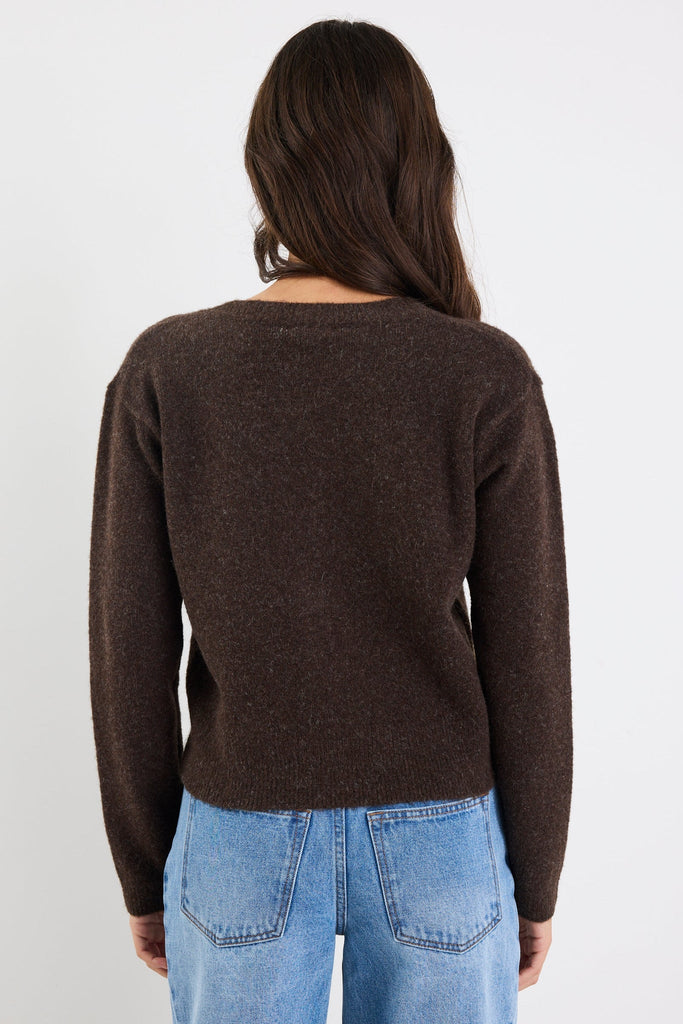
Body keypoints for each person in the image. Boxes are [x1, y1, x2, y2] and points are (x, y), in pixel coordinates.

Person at [89, 17, 572, 1024]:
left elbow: (127, 650)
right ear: (417, 163)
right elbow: (529, 653)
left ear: (267, 167)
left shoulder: (168, 370)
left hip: (237, 833)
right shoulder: (482, 373)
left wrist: (147, 865)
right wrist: (532, 873)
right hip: (442, 841)